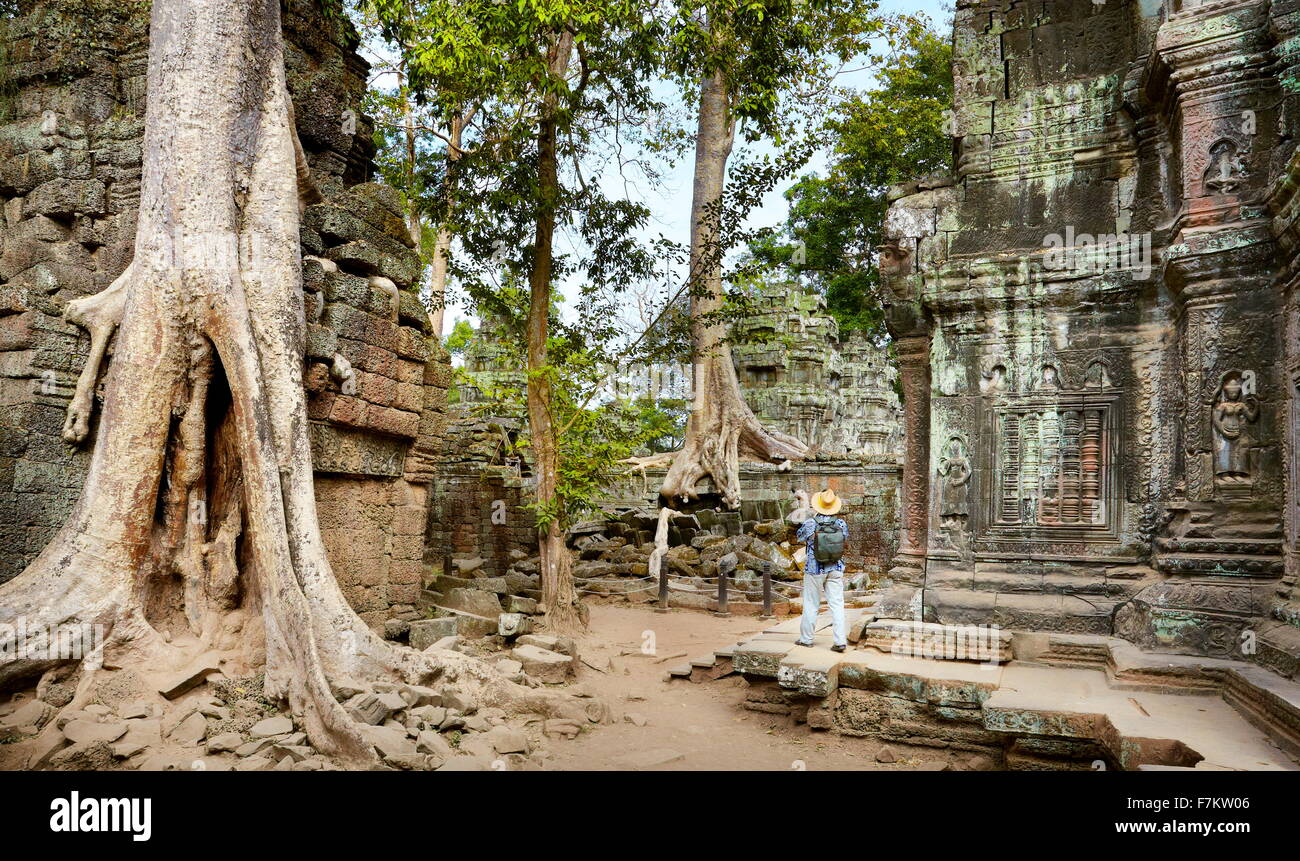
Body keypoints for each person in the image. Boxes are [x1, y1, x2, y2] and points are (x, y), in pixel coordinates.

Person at [793, 488, 849, 652]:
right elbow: (845, 539)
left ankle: (806, 639)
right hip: (836, 567)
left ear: (817, 506)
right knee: (837, 604)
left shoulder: (811, 523)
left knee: (811, 603)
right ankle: (840, 641)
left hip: (815, 568)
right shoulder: (841, 523)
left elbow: (799, 537)